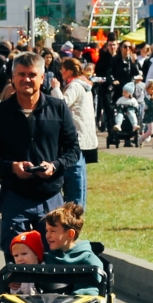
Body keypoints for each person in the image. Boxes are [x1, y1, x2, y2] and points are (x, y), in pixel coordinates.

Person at [0, 52, 80, 242]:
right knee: (17, 256)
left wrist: (55, 165)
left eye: (32, 75)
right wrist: (12, 167)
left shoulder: (58, 108)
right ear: (13, 78)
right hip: (15, 196)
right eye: (21, 74)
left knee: (54, 257)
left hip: (51, 195)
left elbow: (73, 149)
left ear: (42, 78)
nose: (27, 79)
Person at [57, 57, 97, 207]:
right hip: (84, 134)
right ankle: (78, 206)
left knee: (75, 173)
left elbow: (63, 105)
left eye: (62, 70)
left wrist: (55, 89)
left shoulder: (74, 86)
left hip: (76, 135)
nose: (61, 73)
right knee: (78, 174)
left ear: (68, 70)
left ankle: (75, 208)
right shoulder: (84, 84)